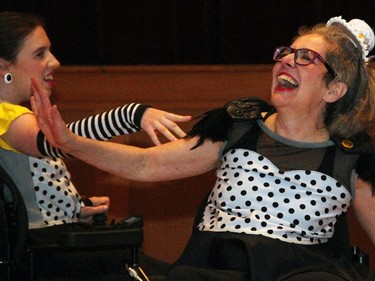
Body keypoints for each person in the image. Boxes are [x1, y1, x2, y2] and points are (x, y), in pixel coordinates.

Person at [32, 15, 375, 280]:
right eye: (286, 52)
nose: (285, 60)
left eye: (305, 57)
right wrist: (71, 143)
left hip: (300, 273)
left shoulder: (352, 160)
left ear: (334, 89)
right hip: (215, 269)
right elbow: (145, 165)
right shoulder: (239, 127)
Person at [0, 11, 191, 280]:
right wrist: (131, 115)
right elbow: (57, 142)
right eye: (39, 54)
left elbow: (23, 197)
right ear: (3, 66)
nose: (54, 62)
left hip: (53, 248)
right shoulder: (5, 117)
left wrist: (75, 207)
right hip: (48, 255)